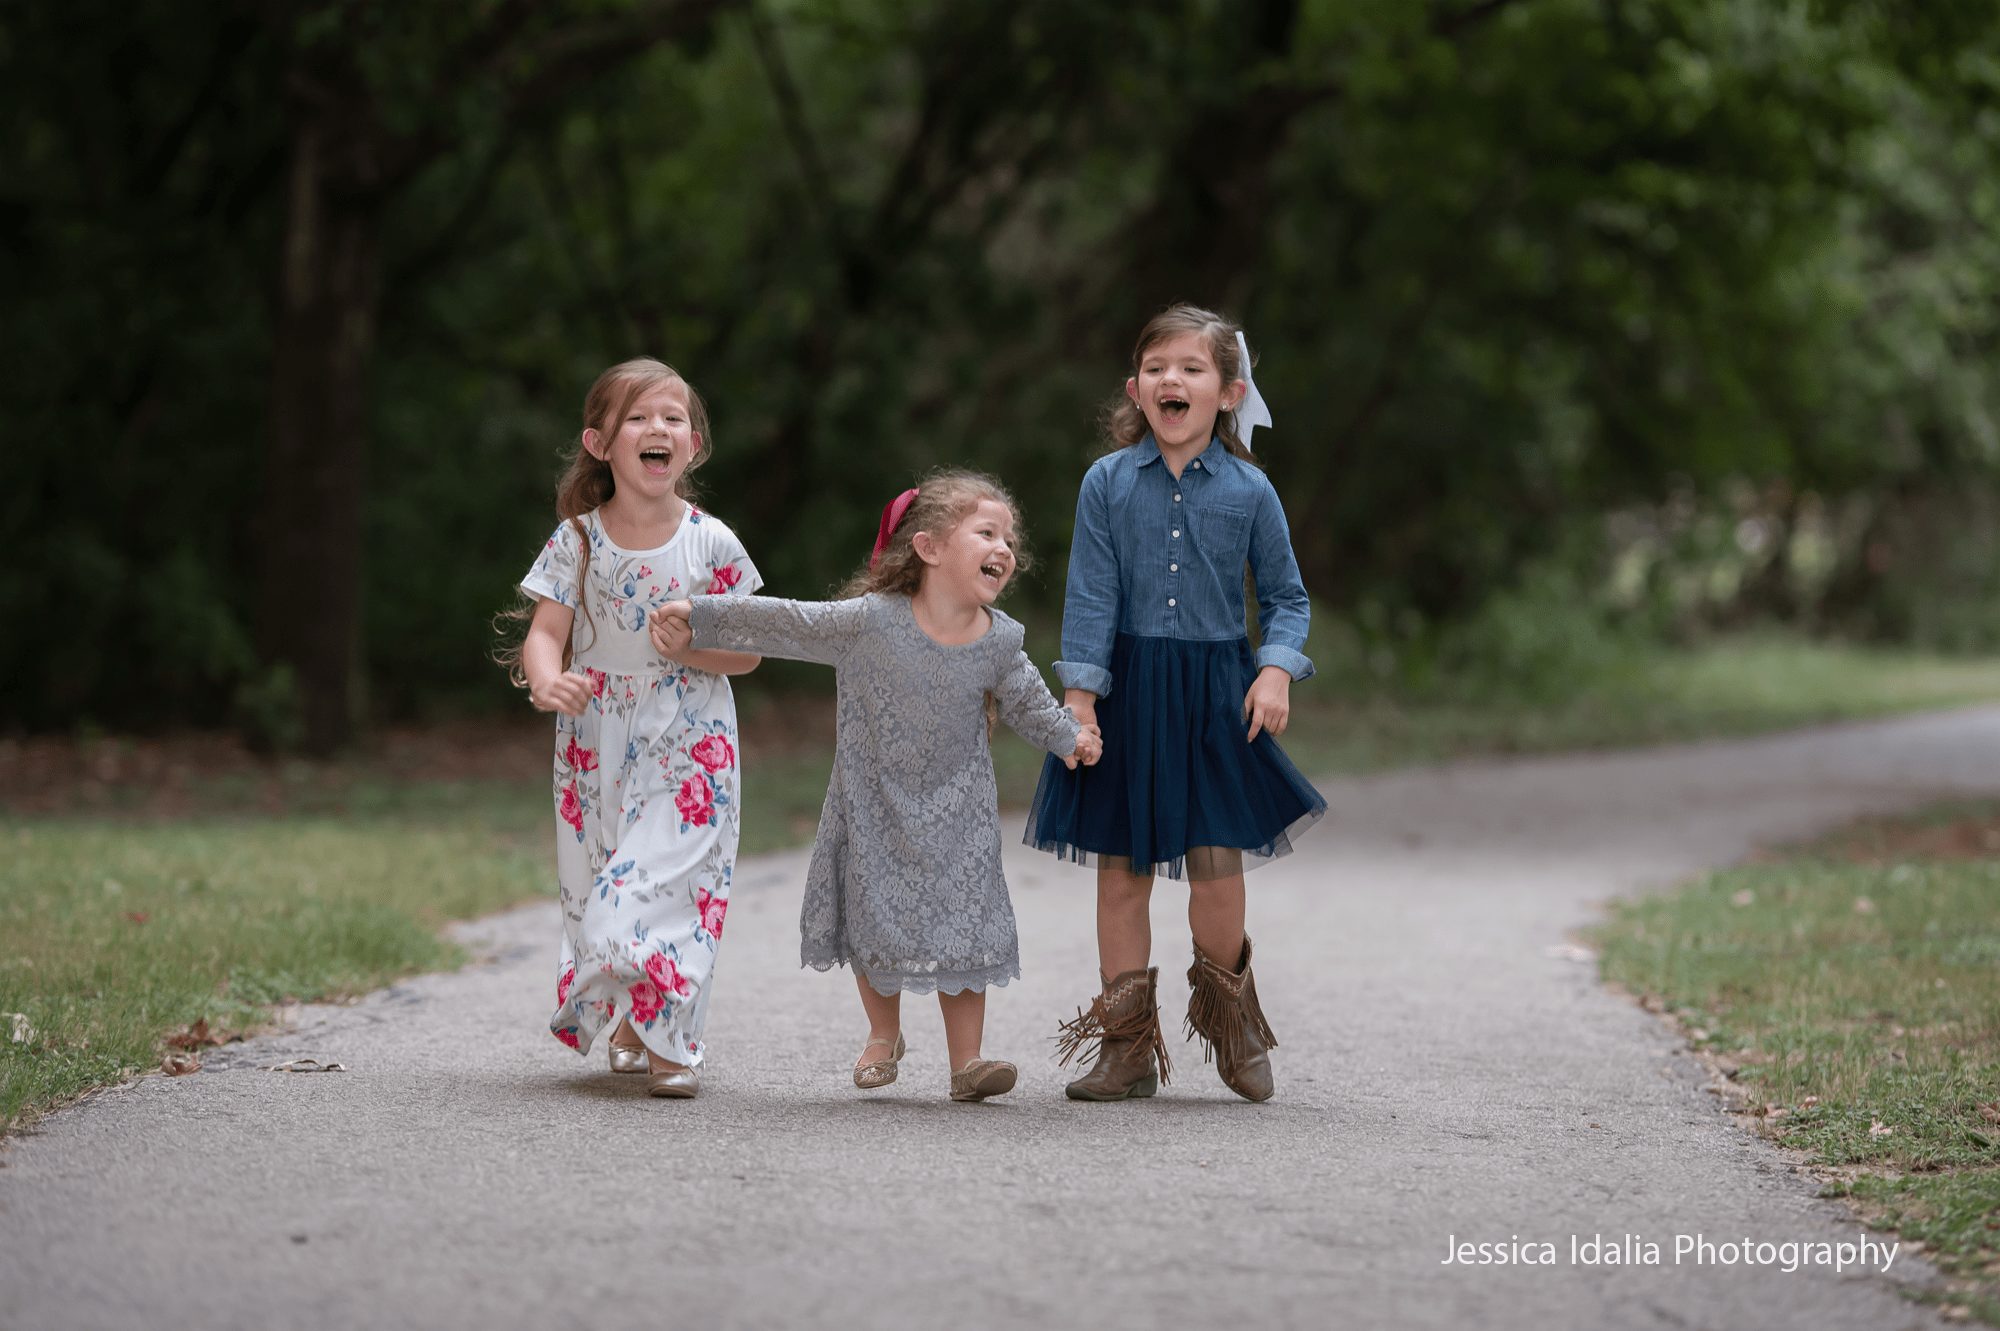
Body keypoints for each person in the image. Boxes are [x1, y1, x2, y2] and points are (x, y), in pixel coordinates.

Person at [649, 471, 1101, 1102]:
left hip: (960, 810)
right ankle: (883, 1035)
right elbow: (789, 624)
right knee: (875, 917)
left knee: (966, 927)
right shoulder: (870, 623)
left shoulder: (1000, 640)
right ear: (929, 548)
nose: (1004, 548)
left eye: (1008, 539)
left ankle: (967, 1062)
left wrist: (1069, 737)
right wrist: (702, 617)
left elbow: (1028, 703)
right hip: (874, 802)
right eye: (986, 532)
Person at [1027, 304, 1326, 1103]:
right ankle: (1125, 1050)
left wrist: (1275, 672)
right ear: (1135, 387)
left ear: (1228, 392)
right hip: (1126, 694)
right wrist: (1080, 703)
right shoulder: (1107, 482)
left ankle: (1232, 1023)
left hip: (1215, 696)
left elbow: (1288, 599)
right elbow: (1089, 595)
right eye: (1158, 367)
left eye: (1192, 369)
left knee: (1215, 867)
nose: (1173, 380)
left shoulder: (1251, 490)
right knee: (1119, 872)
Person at [502, 357, 762, 1099]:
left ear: (695, 445)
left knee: (661, 886)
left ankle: (672, 1041)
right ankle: (632, 1015)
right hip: (597, 738)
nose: (659, 429)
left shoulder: (712, 543)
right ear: (598, 442)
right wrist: (548, 676)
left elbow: (746, 651)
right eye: (639, 418)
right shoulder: (577, 541)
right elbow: (546, 630)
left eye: (674, 417)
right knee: (601, 885)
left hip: (691, 736)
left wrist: (694, 648)